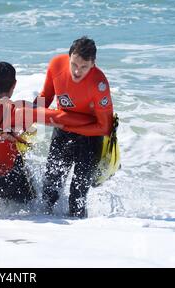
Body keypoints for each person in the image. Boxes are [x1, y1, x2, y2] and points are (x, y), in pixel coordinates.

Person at [0, 62, 96, 204]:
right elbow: (60, 118)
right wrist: (94, 120)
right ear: (14, 84)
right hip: (20, 187)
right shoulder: (23, 111)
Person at [35, 36, 114, 218]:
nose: (77, 71)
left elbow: (104, 127)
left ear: (93, 64)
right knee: (49, 191)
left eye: (84, 67)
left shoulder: (99, 84)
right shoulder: (56, 65)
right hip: (62, 132)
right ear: (69, 57)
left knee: (77, 197)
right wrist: (28, 115)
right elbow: (44, 99)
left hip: (90, 139)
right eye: (74, 65)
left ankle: (78, 240)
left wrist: (68, 125)